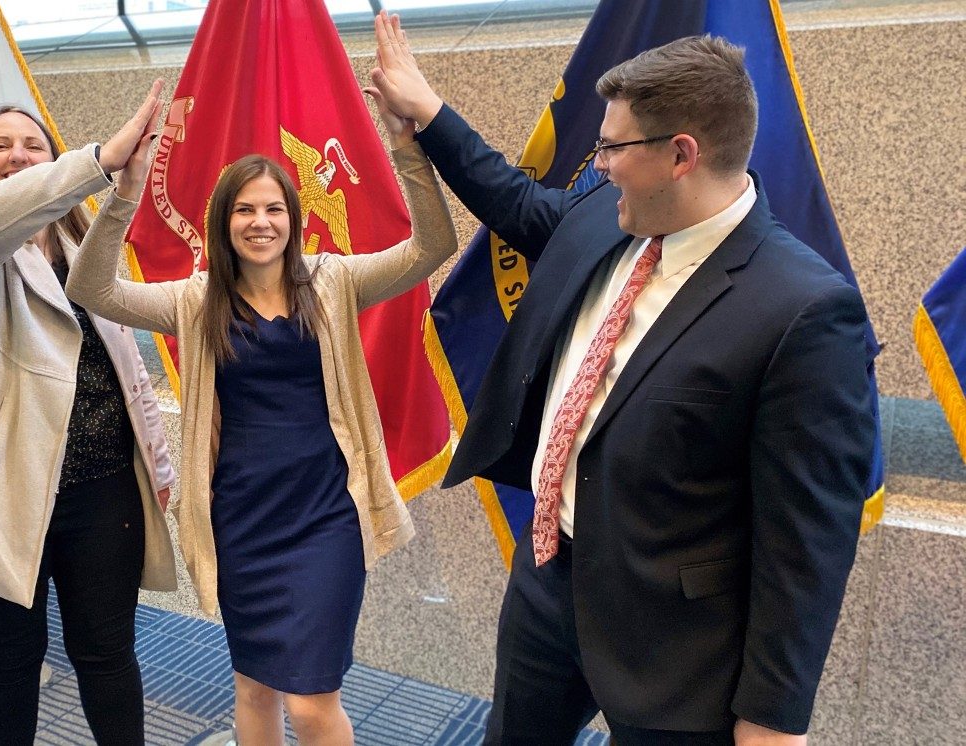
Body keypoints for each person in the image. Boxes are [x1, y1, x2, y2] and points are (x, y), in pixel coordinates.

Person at [368, 13, 876, 746]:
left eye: (611, 146)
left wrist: (772, 717)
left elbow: (808, 540)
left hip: (679, 644)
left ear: (681, 155)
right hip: (549, 583)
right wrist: (429, 112)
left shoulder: (804, 310)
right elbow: (514, 200)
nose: (598, 162)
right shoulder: (608, 219)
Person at [65, 91, 456, 745]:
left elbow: (430, 248)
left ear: (294, 218)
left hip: (326, 514)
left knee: (311, 702)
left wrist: (407, 147)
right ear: (224, 222)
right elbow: (91, 289)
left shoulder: (334, 282)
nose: (260, 221)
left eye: (273, 208)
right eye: (244, 209)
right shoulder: (197, 299)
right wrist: (125, 195)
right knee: (254, 688)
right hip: (242, 518)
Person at [0, 83, 177, 745]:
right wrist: (100, 156)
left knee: (107, 656)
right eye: (0, 145)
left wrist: (159, 458)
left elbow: (125, 367)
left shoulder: (85, 241)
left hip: (101, 490)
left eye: (33, 143)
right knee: (10, 665)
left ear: (53, 157)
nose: (18, 153)